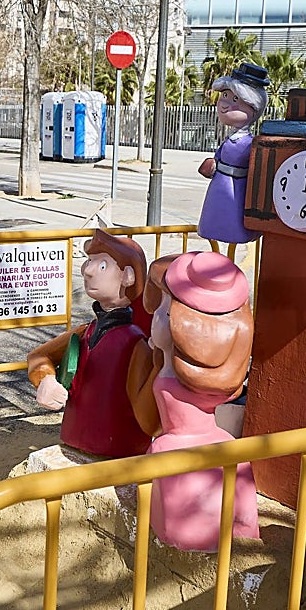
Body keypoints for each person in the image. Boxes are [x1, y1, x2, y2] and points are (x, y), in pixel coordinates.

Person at [142, 251, 259, 553]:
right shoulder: (174, 362)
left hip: (180, 443)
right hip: (204, 437)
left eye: (165, 312)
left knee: (165, 457)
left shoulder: (182, 370)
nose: (155, 315)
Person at [27, 230, 157, 457]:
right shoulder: (87, 331)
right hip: (75, 438)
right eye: (89, 261)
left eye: (102, 265)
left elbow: (147, 415)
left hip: (117, 448)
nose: (87, 271)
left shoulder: (135, 342)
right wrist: (45, 379)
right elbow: (39, 357)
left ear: (128, 276)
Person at [197, 63, 270, 246]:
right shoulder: (230, 139)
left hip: (236, 190)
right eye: (225, 96)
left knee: (233, 223)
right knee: (214, 220)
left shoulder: (249, 144)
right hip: (219, 186)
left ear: (253, 108)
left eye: (235, 99)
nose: (224, 104)